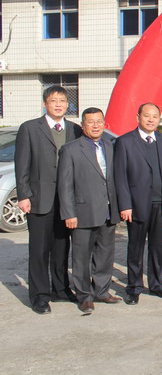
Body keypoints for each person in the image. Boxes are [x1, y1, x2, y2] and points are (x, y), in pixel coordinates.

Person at [15, 85, 83, 314]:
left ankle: (61, 289)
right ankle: (39, 296)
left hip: (66, 200)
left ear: (68, 104)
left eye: (62, 100)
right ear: (45, 104)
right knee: (39, 250)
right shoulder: (29, 128)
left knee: (62, 247)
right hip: (39, 198)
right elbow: (22, 164)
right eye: (53, 100)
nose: (58, 104)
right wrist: (23, 195)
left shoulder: (75, 129)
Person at [57, 108, 120, 314]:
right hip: (83, 212)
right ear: (83, 125)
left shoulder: (111, 146)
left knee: (105, 254)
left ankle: (101, 290)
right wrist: (69, 213)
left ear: (104, 124)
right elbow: (65, 185)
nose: (95, 125)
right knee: (81, 256)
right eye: (90, 122)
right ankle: (84, 296)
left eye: (99, 121)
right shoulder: (71, 149)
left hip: (108, 211)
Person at [114, 103, 162, 305]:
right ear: (137, 117)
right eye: (147, 116)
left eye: (154, 116)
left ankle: (157, 284)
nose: (151, 119)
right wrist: (125, 204)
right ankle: (134, 287)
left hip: (161, 203)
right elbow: (120, 176)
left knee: (157, 247)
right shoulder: (125, 142)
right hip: (136, 205)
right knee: (135, 248)